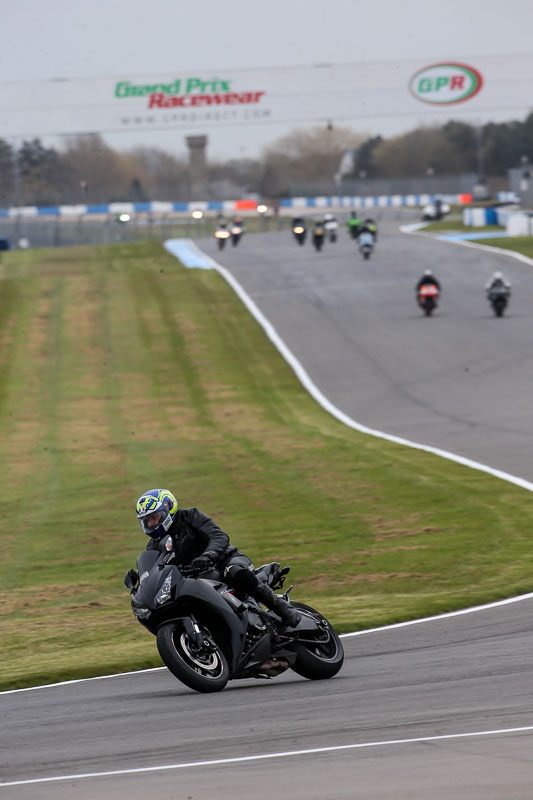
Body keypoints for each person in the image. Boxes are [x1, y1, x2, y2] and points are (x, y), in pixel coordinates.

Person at [134, 489, 301, 627]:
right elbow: (160, 571)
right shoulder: (154, 546)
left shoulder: (190, 517)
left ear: (168, 509)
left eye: (154, 518)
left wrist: (208, 556)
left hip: (224, 561)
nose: (151, 525)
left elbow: (219, 536)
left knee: (234, 572)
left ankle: (283, 609)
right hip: (197, 581)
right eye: (146, 521)